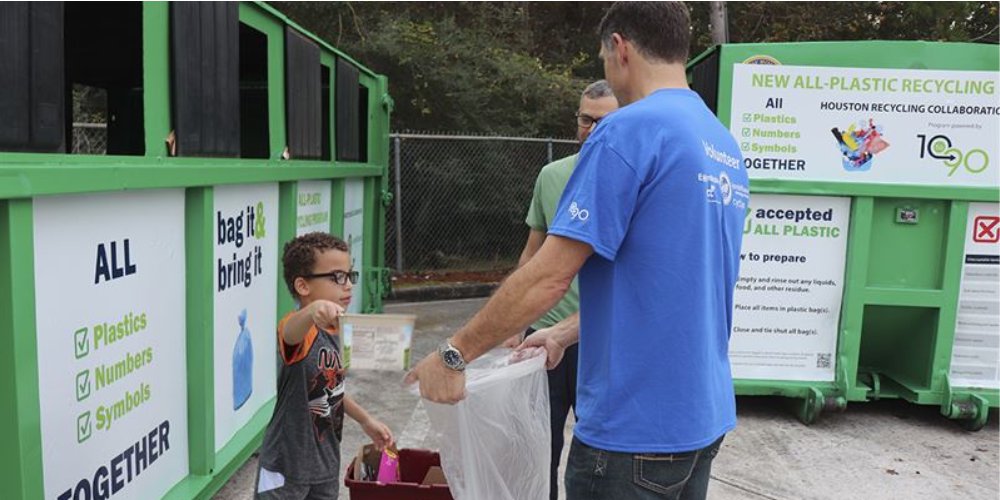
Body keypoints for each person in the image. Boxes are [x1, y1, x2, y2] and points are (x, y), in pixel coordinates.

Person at [406, 2, 749, 499]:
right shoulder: (721, 143)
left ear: (620, 47)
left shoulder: (629, 129)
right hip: (702, 419)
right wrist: (564, 334)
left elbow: (549, 274)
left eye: (604, 59)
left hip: (632, 434)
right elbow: (672, 287)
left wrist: (454, 355)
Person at [500, 79, 617, 500]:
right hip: (545, 334)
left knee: (602, 452)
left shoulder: (636, 181)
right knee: (537, 445)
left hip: (601, 336)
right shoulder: (551, 176)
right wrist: (516, 321)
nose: (592, 128)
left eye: (604, 121)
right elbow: (531, 256)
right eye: (586, 119)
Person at [256, 232, 394, 499]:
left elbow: (332, 387)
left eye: (349, 275)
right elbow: (290, 333)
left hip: (325, 465)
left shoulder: (336, 332)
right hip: (285, 469)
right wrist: (312, 310)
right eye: (337, 277)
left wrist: (366, 420)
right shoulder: (296, 329)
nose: (348, 285)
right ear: (303, 286)